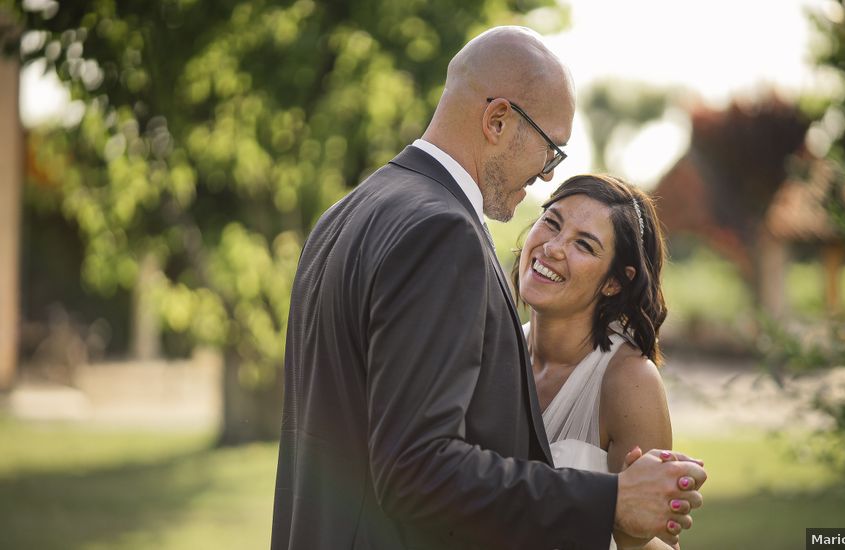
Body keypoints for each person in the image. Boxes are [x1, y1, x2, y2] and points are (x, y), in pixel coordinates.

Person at [271, 26, 706, 550]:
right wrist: (609, 501)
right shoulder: (442, 231)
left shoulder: (346, 213)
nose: (547, 177)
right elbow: (415, 469)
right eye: (551, 150)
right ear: (498, 120)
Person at [514, 174, 677, 549]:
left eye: (583, 245)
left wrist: (629, 526)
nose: (553, 248)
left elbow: (658, 540)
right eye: (551, 223)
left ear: (615, 282)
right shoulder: (493, 346)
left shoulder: (630, 383)